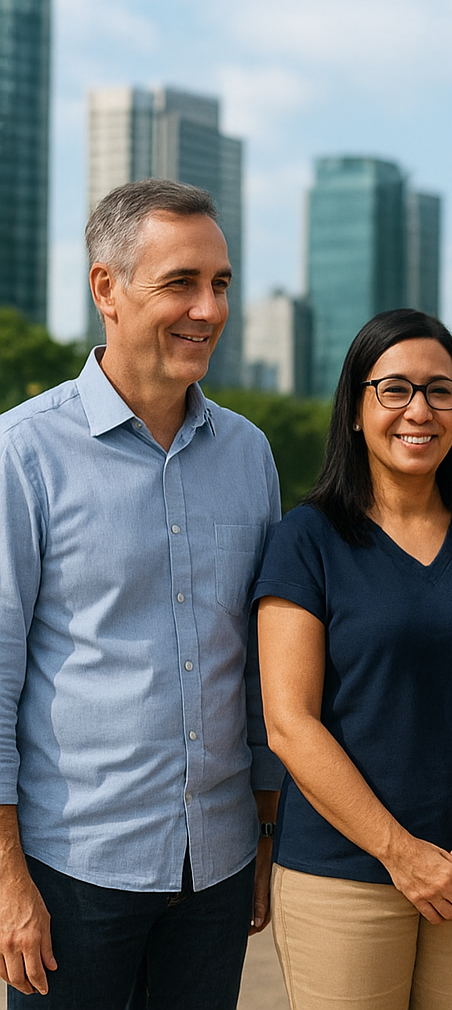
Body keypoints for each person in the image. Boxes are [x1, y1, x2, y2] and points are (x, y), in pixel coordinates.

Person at [0, 178, 281, 1007]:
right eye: (181, 283)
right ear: (106, 289)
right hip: (71, 872)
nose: (208, 309)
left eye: (221, 284)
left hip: (220, 865)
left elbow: (261, 673)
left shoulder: (250, 456)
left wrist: (263, 839)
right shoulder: (23, 455)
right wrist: (8, 882)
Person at [254, 309, 452, 1010]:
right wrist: (401, 852)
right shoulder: (307, 540)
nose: (420, 410)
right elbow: (289, 723)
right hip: (344, 876)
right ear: (357, 409)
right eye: (395, 389)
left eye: (440, 390)